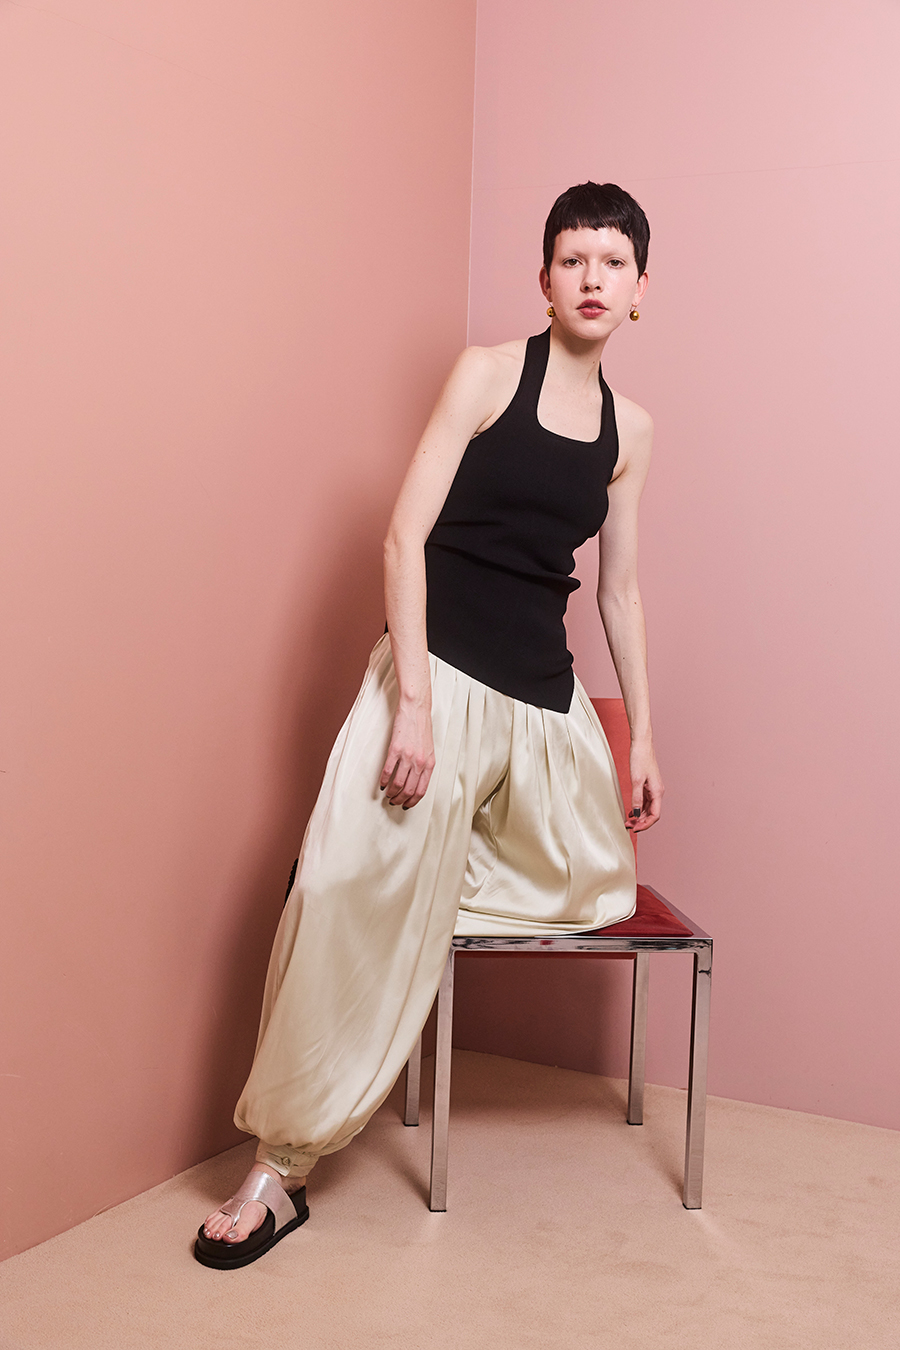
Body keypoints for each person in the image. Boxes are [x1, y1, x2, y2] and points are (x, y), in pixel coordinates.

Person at [194, 181, 664, 1269]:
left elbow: (620, 592)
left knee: (596, 887)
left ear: (641, 287)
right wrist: (413, 702)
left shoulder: (632, 432)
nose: (592, 279)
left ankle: (399, 884)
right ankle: (278, 1169)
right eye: (572, 259)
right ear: (543, 278)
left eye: (612, 262)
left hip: (541, 706)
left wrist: (643, 736)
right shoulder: (487, 375)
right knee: (335, 893)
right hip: (433, 680)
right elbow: (403, 537)